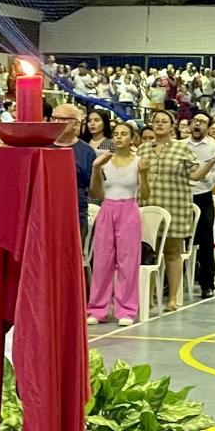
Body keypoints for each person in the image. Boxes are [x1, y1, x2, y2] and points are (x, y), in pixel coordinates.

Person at [139, 110, 196, 312]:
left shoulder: (183, 149)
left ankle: (172, 298)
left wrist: (211, 165)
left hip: (175, 205)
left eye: (164, 121)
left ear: (172, 126)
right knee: (149, 254)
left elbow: (195, 174)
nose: (160, 124)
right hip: (148, 205)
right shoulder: (143, 149)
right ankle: (150, 297)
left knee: (172, 252)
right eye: (156, 121)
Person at [87, 120, 143, 325]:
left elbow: (145, 193)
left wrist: (144, 174)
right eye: (116, 134)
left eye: (124, 134)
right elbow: (95, 193)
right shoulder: (104, 160)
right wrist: (95, 169)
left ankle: (126, 310)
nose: (119, 137)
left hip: (129, 208)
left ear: (132, 139)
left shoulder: (139, 161)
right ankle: (97, 309)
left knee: (128, 263)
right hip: (107, 208)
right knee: (102, 261)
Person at [182, 113, 215, 301]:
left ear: (207, 127)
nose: (198, 124)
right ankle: (173, 282)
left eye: (202, 122)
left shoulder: (214, 147)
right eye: (195, 121)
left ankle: (207, 284)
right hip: (181, 195)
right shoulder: (180, 145)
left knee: (206, 240)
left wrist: (204, 174)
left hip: (203, 196)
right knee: (177, 238)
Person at [51, 102, 94, 247]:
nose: (56, 123)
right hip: (46, 213)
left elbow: (95, 191)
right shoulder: (42, 146)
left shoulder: (86, 152)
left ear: (76, 124)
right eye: (54, 118)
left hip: (74, 215)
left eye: (62, 119)